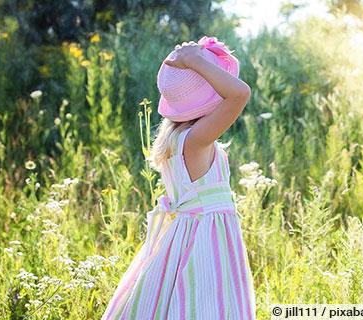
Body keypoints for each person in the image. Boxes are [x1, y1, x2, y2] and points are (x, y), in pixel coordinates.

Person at [102, 36, 255, 320]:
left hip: (184, 234)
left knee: (171, 299)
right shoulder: (197, 140)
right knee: (205, 302)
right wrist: (193, 60)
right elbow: (240, 94)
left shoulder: (177, 139)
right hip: (207, 239)